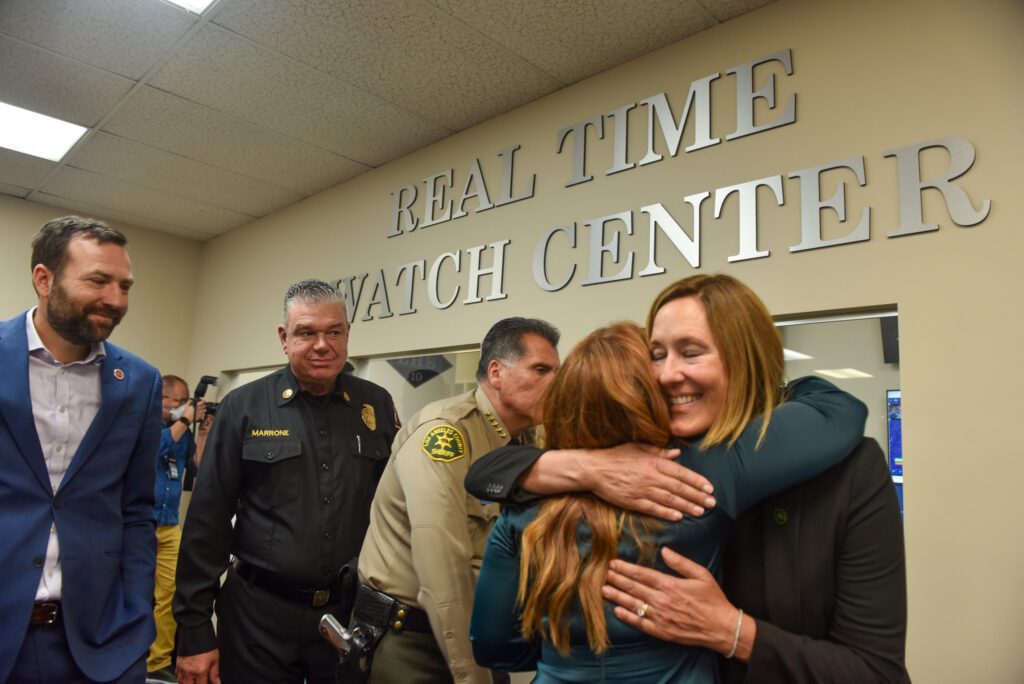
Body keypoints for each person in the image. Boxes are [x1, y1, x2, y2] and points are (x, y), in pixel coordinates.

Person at [466, 274, 909, 683]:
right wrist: (585, 468)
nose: (666, 374)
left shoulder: (846, 470)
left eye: (691, 352)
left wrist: (734, 633)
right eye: (655, 356)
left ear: (746, 359)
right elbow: (487, 473)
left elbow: (875, 674)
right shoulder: (660, 470)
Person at [173, 279, 401, 684]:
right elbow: (207, 521)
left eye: (334, 332)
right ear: (284, 337)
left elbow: (392, 511)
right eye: (307, 332)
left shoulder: (376, 404)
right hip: (258, 617)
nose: (322, 344)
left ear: (347, 334)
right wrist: (193, 629)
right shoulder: (244, 407)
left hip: (347, 617)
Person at [0, 216, 162, 683]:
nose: (115, 300)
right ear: (43, 279)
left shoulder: (139, 383)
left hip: (96, 644)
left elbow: (136, 510)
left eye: (124, 286)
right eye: (98, 281)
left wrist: (136, 614)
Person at [355, 317, 560, 684]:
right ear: (496, 373)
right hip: (415, 642)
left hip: (479, 634)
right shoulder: (444, 435)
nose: (555, 383)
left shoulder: (528, 441)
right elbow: (444, 572)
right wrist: (474, 678)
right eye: (541, 370)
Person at [146, 375, 209, 683]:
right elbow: (155, 452)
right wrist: (185, 418)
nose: (184, 404)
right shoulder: (145, 424)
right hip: (140, 524)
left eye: (186, 400)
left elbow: (197, 467)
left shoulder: (183, 432)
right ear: (164, 400)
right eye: (179, 399)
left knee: (170, 593)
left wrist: (204, 434)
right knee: (133, 591)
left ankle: (157, 660)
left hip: (170, 524)